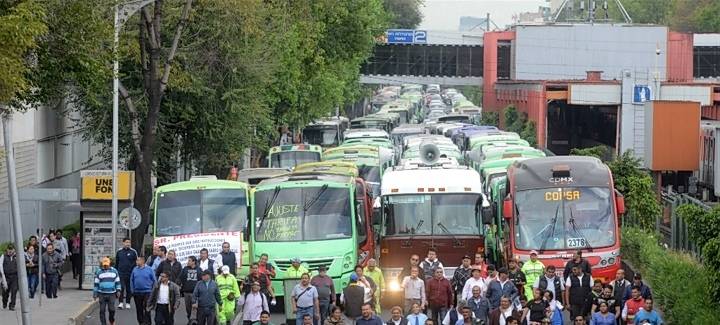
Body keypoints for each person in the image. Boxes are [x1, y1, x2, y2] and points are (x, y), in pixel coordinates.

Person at [93, 257, 121, 325]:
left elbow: (117, 282)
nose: (105, 266)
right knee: (102, 310)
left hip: (112, 293)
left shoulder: (114, 271)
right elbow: (96, 284)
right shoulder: (99, 272)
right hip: (101, 293)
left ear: (109, 264)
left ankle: (111, 321)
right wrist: (95, 294)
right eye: (104, 264)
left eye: (107, 264)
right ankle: (103, 323)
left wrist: (118, 290)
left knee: (112, 310)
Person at [132, 255, 157, 323]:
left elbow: (154, 280)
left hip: (147, 292)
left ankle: (147, 322)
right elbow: (132, 280)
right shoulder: (134, 269)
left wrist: (154, 291)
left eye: (138, 260)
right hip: (137, 292)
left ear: (142, 261)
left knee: (147, 308)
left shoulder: (149, 269)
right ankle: (141, 322)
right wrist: (132, 290)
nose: (136, 261)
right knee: (139, 309)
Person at [115, 237, 138, 309]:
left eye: (129, 242)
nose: (128, 244)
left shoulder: (133, 252)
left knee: (129, 289)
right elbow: (117, 262)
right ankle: (121, 302)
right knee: (121, 287)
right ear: (123, 243)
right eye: (126, 242)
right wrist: (116, 272)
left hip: (130, 273)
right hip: (121, 273)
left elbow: (136, 262)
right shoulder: (119, 252)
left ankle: (128, 302)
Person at [179, 255, 201, 322]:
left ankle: (196, 321)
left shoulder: (199, 269)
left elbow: (201, 280)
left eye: (189, 260)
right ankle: (189, 319)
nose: (188, 262)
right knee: (188, 308)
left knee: (195, 308)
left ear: (193, 262)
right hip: (186, 292)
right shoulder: (185, 269)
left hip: (195, 293)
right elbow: (181, 278)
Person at [0, 245, 19, 310]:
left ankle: (12, 305)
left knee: (14, 290)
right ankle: (4, 302)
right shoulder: (3, 256)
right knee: (5, 292)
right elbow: (0, 266)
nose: (10, 251)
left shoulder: (17, 256)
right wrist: (2, 277)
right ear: (7, 249)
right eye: (9, 249)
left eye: (11, 249)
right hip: (6, 276)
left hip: (14, 276)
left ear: (14, 250)